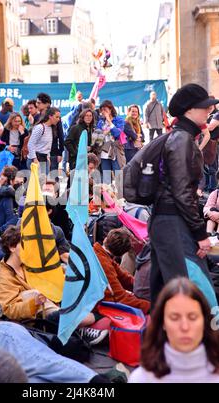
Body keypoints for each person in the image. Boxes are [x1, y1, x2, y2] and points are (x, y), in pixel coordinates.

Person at [149, 84, 219, 307]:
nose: (209, 111)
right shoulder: (181, 139)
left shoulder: (183, 137)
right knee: (195, 295)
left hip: (167, 220)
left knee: (164, 292)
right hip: (171, 221)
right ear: (189, 111)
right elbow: (183, 192)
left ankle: (161, 338)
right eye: (205, 107)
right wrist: (200, 234)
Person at [0, 226, 108, 345]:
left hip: (52, 303)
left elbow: (50, 274)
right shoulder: (4, 278)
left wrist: (69, 273)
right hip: (36, 316)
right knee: (32, 295)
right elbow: (10, 309)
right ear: (12, 247)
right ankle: (84, 325)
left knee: (76, 283)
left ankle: (82, 325)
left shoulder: (28, 263)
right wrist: (34, 303)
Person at [129, 278, 219, 383]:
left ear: (204, 320)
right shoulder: (141, 378)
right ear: (163, 322)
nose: (185, 327)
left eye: (192, 317)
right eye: (175, 318)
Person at [94, 228, 150, 313]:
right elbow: (119, 298)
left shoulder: (101, 255)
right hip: (92, 309)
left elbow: (126, 279)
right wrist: (151, 306)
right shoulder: (104, 262)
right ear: (123, 253)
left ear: (106, 239)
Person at [96, 100, 125, 186]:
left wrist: (109, 120)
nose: (103, 112)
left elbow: (117, 134)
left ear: (111, 109)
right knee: (106, 179)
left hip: (115, 152)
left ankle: (120, 197)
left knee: (118, 177)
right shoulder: (100, 122)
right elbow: (97, 139)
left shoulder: (119, 120)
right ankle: (107, 198)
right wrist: (103, 133)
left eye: (105, 109)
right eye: (102, 110)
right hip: (104, 153)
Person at [34, 93, 64, 172]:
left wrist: (60, 153)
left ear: (47, 104)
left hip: (53, 153)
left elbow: (61, 135)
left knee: (53, 178)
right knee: (40, 178)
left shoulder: (55, 116)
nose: (36, 104)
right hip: (39, 153)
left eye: (39, 103)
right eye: (37, 102)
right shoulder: (36, 117)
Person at [27, 107, 61, 175]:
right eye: (56, 117)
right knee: (36, 184)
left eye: (59, 117)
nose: (58, 119)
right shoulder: (40, 127)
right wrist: (35, 159)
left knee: (43, 183)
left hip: (45, 159)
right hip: (36, 159)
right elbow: (30, 144)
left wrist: (48, 157)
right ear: (50, 116)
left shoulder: (51, 128)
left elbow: (47, 146)